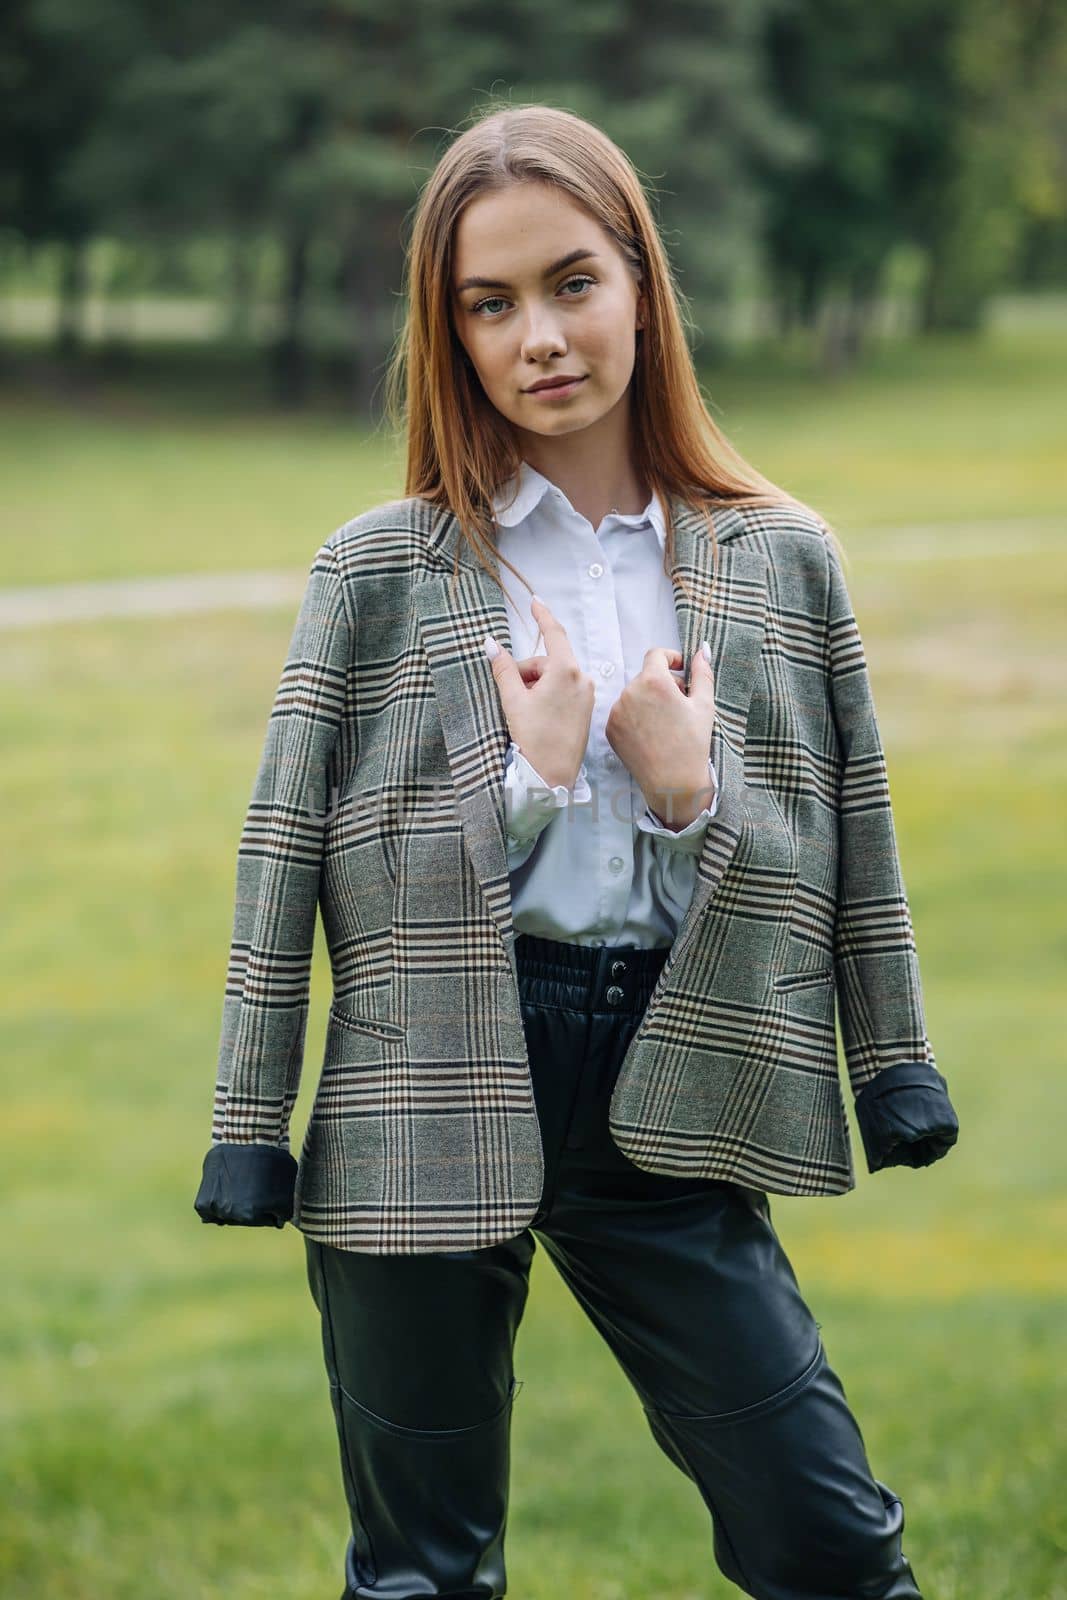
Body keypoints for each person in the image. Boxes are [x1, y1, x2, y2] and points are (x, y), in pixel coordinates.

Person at [194, 102, 959, 1600]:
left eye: (571, 283)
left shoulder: (781, 557)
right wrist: (531, 781)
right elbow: (284, 852)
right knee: (422, 1574)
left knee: (831, 1545)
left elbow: (851, 835)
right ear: (450, 330)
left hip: (668, 1082)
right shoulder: (376, 572)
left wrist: (696, 799)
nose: (538, 335)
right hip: (420, 1093)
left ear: (641, 284)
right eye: (490, 304)